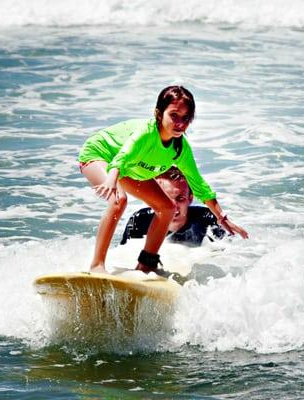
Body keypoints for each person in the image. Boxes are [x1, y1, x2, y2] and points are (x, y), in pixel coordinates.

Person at [78, 85, 248, 274]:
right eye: (174, 115)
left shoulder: (180, 149)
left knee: (167, 207)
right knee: (119, 200)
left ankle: (145, 266)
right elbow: (123, 157)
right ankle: (97, 265)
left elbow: (199, 185)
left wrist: (222, 217)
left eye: (186, 119)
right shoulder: (146, 134)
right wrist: (111, 178)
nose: (180, 124)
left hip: (129, 167)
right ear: (159, 113)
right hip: (100, 155)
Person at [120, 166, 226, 247]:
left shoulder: (208, 220)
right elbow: (122, 257)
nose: (173, 207)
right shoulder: (140, 221)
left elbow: (230, 255)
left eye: (180, 198)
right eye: (165, 199)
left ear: (190, 198)